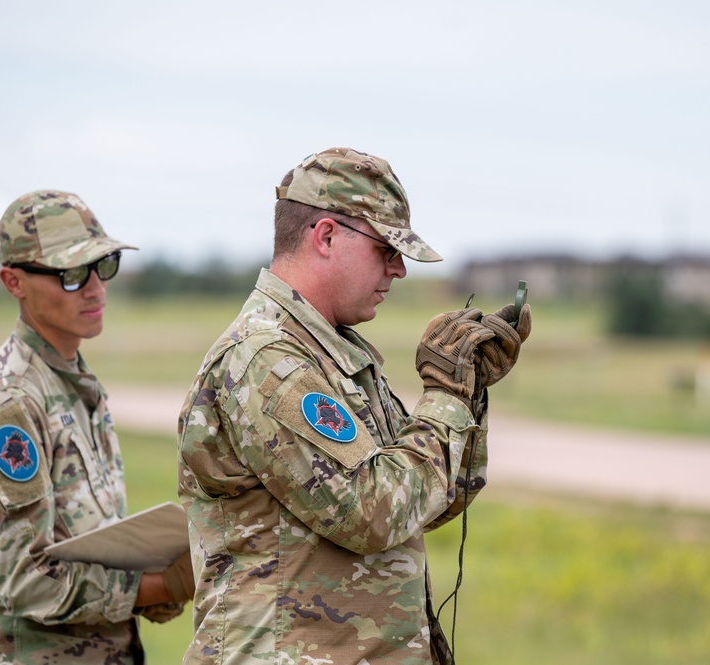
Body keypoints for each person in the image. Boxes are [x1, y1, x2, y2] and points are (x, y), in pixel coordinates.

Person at [177, 147, 532, 664]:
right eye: (386, 249)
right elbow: (372, 512)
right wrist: (444, 398)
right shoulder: (268, 361)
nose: (399, 269)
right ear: (325, 236)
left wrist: (467, 393)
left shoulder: (335, 355)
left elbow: (423, 502)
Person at [0, 190, 194, 664]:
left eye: (104, 266)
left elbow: (92, 541)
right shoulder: (9, 403)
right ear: (12, 281)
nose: (96, 288)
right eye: (71, 274)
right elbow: (26, 579)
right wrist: (161, 585)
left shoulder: (72, 381)